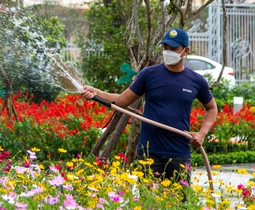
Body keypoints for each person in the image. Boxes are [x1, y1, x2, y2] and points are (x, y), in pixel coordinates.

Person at [81, 28, 218, 184]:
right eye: (165, 48)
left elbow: (212, 108)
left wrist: (202, 133)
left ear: (185, 51)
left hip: (179, 152)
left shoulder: (196, 81)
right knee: (148, 205)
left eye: (173, 49)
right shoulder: (149, 74)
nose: (168, 52)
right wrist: (96, 92)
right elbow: (121, 101)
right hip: (148, 152)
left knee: (180, 204)